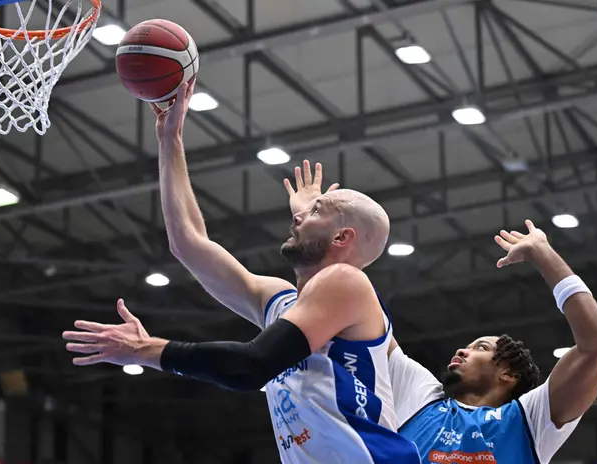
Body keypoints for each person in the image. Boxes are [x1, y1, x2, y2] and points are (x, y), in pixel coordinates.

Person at [63, 79, 420, 464]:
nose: (297, 215)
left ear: (341, 238)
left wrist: (147, 350)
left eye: (316, 211)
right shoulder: (284, 302)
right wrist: (170, 141)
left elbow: (252, 366)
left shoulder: (347, 282)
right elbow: (188, 243)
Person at [388, 219, 597, 463]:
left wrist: (542, 251)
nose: (462, 351)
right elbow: (369, 321)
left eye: (481, 347)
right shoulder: (421, 398)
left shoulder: (530, 420)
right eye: (468, 347)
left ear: (508, 374)